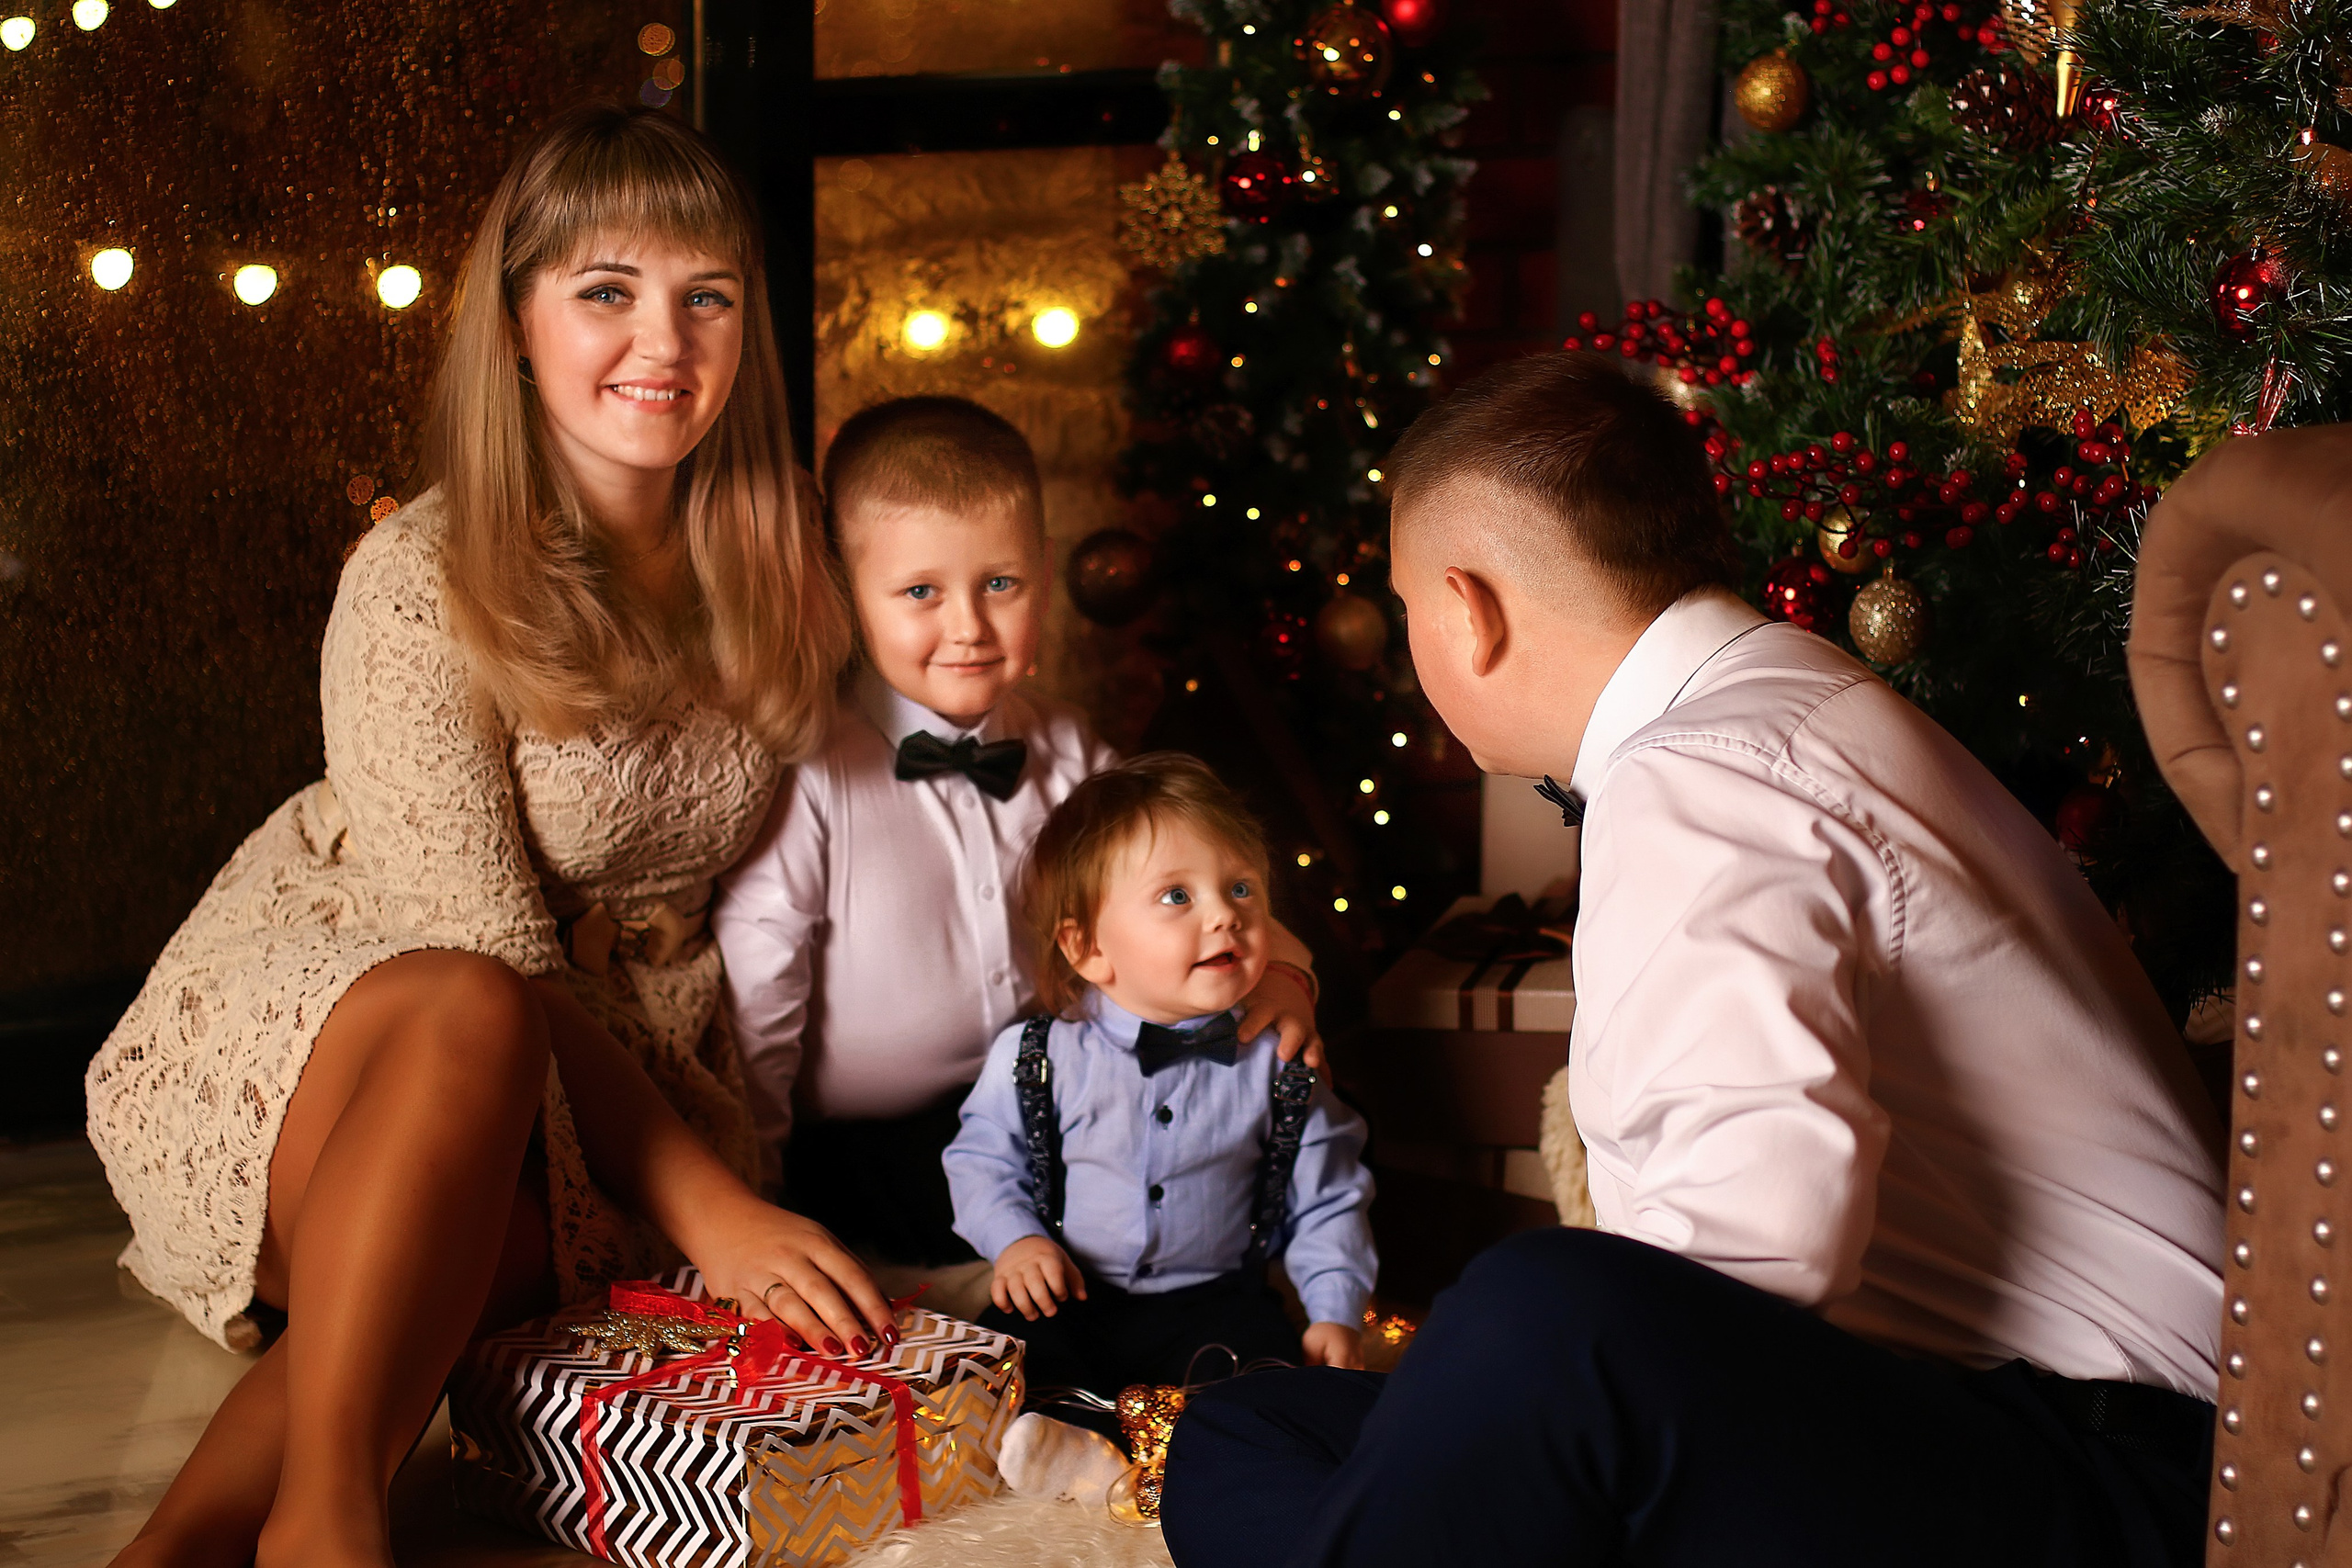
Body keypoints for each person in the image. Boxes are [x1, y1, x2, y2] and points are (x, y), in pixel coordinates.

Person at [1160, 352, 2225, 1568]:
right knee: (1251, 1420)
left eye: (1408, 610)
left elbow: (1753, 1249)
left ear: (1467, 607)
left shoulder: (1703, 765)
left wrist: (1496, 1391)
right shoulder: (1777, 698)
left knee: (1539, 1315)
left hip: (2102, 1466)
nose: (1417, 643)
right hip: (1974, 1416)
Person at [83, 107, 892, 1568]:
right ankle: (333, 1524)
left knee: (504, 1263)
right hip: (349, 1017)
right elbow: (496, 961)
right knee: (471, 999)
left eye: (706, 295)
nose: (665, 337)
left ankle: (176, 1552)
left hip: (616, 1071)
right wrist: (711, 1208)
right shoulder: (419, 579)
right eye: (606, 290)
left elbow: (940, 786)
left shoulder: (781, 565)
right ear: (517, 323)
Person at [711, 396, 1322, 1269]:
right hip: (872, 1156)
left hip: (1069, 1110)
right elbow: (760, 1015)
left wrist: (1291, 975)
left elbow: (1201, 882)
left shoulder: (1072, 751)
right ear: (846, 590)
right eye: (921, 591)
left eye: (1000, 584)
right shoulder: (809, 773)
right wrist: (756, 1200)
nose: (968, 626)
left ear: (1041, 570)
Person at [944, 753, 1375, 1429]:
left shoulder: (1281, 1060)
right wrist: (1016, 1241)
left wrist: (1334, 1308)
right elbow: (981, 1163)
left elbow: (1328, 1197)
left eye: (1241, 889)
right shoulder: (1036, 1057)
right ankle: (1065, 1441)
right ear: (1087, 948)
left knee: (1265, 1388)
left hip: (1214, 1298)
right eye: (1178, 896)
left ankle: (1205, 1447)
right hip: (1074, 1288)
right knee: (1009, 1364)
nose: (1224, 917)